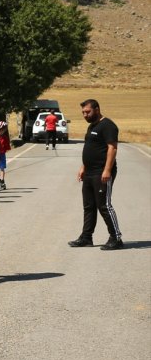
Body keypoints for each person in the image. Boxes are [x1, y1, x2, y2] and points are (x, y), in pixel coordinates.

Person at [68, 99, 123, 250]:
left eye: (88, 112)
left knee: (104, 205)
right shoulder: (92, 126)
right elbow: (91, 148)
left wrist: (107, 170)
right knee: (89, 206)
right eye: (83, 113)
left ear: (97, 109)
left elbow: (112, 148)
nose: (85, 115)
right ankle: (86, 237)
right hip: (89, 172)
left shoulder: (108, 126)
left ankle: (116, 238)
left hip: (101, 172)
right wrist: (83, 167)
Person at [0, 120, 11, 191]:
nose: (1, 131)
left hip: (2, 154)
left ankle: (2, 181)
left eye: (3, 130)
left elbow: (7, 146)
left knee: (2, 168)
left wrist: (5, 150)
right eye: (0, 130)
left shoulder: (5, 137)